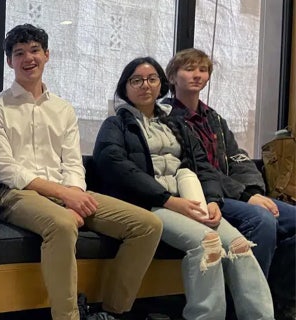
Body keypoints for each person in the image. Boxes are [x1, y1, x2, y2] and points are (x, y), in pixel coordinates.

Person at [0, 24, 163, 320]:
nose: (29, 58)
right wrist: (65, 198)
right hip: (16, 195)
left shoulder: (63, 109)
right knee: (63, 225)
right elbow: (7, 170)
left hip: (68, 192)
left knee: (148, 225)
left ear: (47, 55)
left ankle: (112, 311)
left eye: (35, 50)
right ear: (10, 61)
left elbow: (73, 163)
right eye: (19, 53)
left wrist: (73, 194)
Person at [93, 56, 274, 319]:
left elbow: (201, 166)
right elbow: (116, 167)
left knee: (239, 245)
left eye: (152, 79)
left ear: (160, 85)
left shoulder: (176, 122)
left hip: (190, 201)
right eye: (137, 80)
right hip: (150, 205)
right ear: (125, 87)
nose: (145, 85)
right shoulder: (116, 124)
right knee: (209, 243)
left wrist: (213, 200)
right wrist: (168, 200)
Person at [164, 47, 295, 319]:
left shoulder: (214, 118)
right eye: (189, 69)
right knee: (261, 220)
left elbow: (239, 159)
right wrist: (248, 197)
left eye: (202, 70)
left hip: (235, 194)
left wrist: (256, 191)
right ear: (173, 76)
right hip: (203, 195)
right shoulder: (167, 118)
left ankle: (277, 296)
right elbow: (198, 170)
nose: (197, 75)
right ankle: (242, 307)